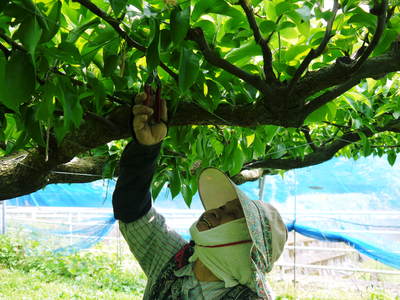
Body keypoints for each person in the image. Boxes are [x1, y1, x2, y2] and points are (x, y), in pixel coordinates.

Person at [112, 93, 288, 299]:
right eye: (222, 207)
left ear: (247, 242)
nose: (214, 211)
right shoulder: (176, 261)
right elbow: (132, 211)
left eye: (232, 214)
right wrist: (146, 149)